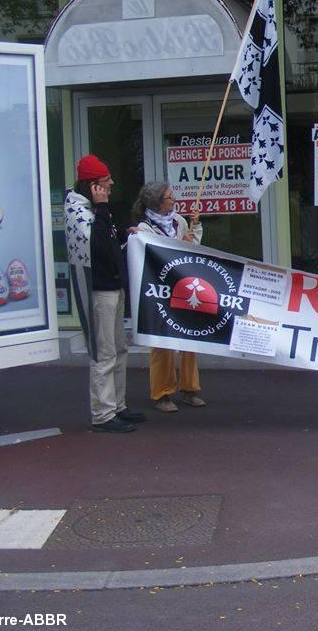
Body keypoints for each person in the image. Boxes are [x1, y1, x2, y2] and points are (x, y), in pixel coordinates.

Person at [64, 155, 145, 433]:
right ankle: (103, 414)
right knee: (104, 352)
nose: (111, 184)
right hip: (99, 292)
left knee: (119, 349)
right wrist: (102, 208)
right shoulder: (80, 212)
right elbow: (96, 246)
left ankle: (117, 405)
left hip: (113, 286)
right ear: (93, 186)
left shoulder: (95, 210)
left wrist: (124, 234)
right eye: (105, 180)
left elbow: (106, 237)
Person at [132, 182, 208, 413]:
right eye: (169, 197)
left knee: (189, 337)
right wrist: (178, 245)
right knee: (161, 341)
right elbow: (153, 257)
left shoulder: (180, 221)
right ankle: (162, 393)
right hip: (160, 291)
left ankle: (190, 388)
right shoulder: (144, 228)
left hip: (183, 287)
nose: (174, 200)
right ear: (157, 202)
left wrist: (195, 228)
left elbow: (192, 248)